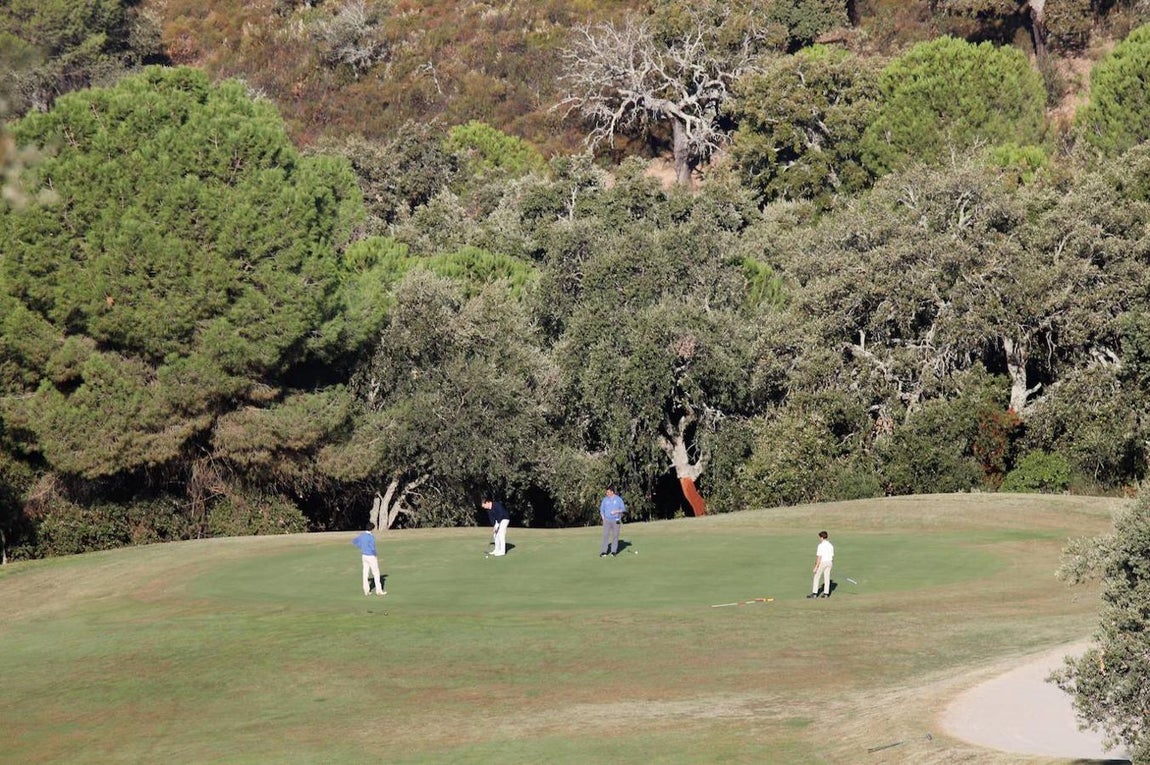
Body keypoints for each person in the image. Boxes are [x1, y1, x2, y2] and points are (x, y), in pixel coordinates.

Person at [352, 522, 385, 595]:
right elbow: (372, 547)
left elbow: (354, 541)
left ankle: (366, 591)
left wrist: (361, 546)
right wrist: (375, 554)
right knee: (376, 573)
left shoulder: (362, 535)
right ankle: (379, 591)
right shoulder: (371, 537)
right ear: (372, 529)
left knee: (365, 573)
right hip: (371, 556)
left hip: (364, 556)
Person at [599, 487, 626, 557]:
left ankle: (613, 551)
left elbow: (623, 509)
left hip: (616, 520)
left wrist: (616, 511)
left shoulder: (618, 499)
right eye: (606, 492)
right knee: (605, 536)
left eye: (608, 492)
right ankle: (604, 552)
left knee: (615, 536)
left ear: (612, 492)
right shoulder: (605, 499)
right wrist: (603, 518)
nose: (606, 493)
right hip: (607, 520)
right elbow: (601, 509)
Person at [808, 530, 834, 599]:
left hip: (822, 562)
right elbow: (832, 555)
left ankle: (814, 594)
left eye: (820, 537)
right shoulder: (830, 545)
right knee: (827, 578)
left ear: (822, 537)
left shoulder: (820, 545)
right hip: (829, 562)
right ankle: (826, 594)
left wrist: (816, 566)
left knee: (816, 577)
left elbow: (819, 557)